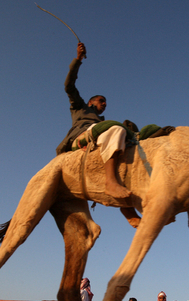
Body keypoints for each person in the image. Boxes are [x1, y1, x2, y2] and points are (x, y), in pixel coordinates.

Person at [56, 42, 132, 199]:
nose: (104, 104)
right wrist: (78, 59)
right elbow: (68, 86)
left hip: (97, 135)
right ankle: (110, 183)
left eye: (105, 102)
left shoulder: (101, 121)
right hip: (81, 137)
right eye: (101, 100)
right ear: (90, 102)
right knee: (116, 129)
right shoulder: (80, 107)